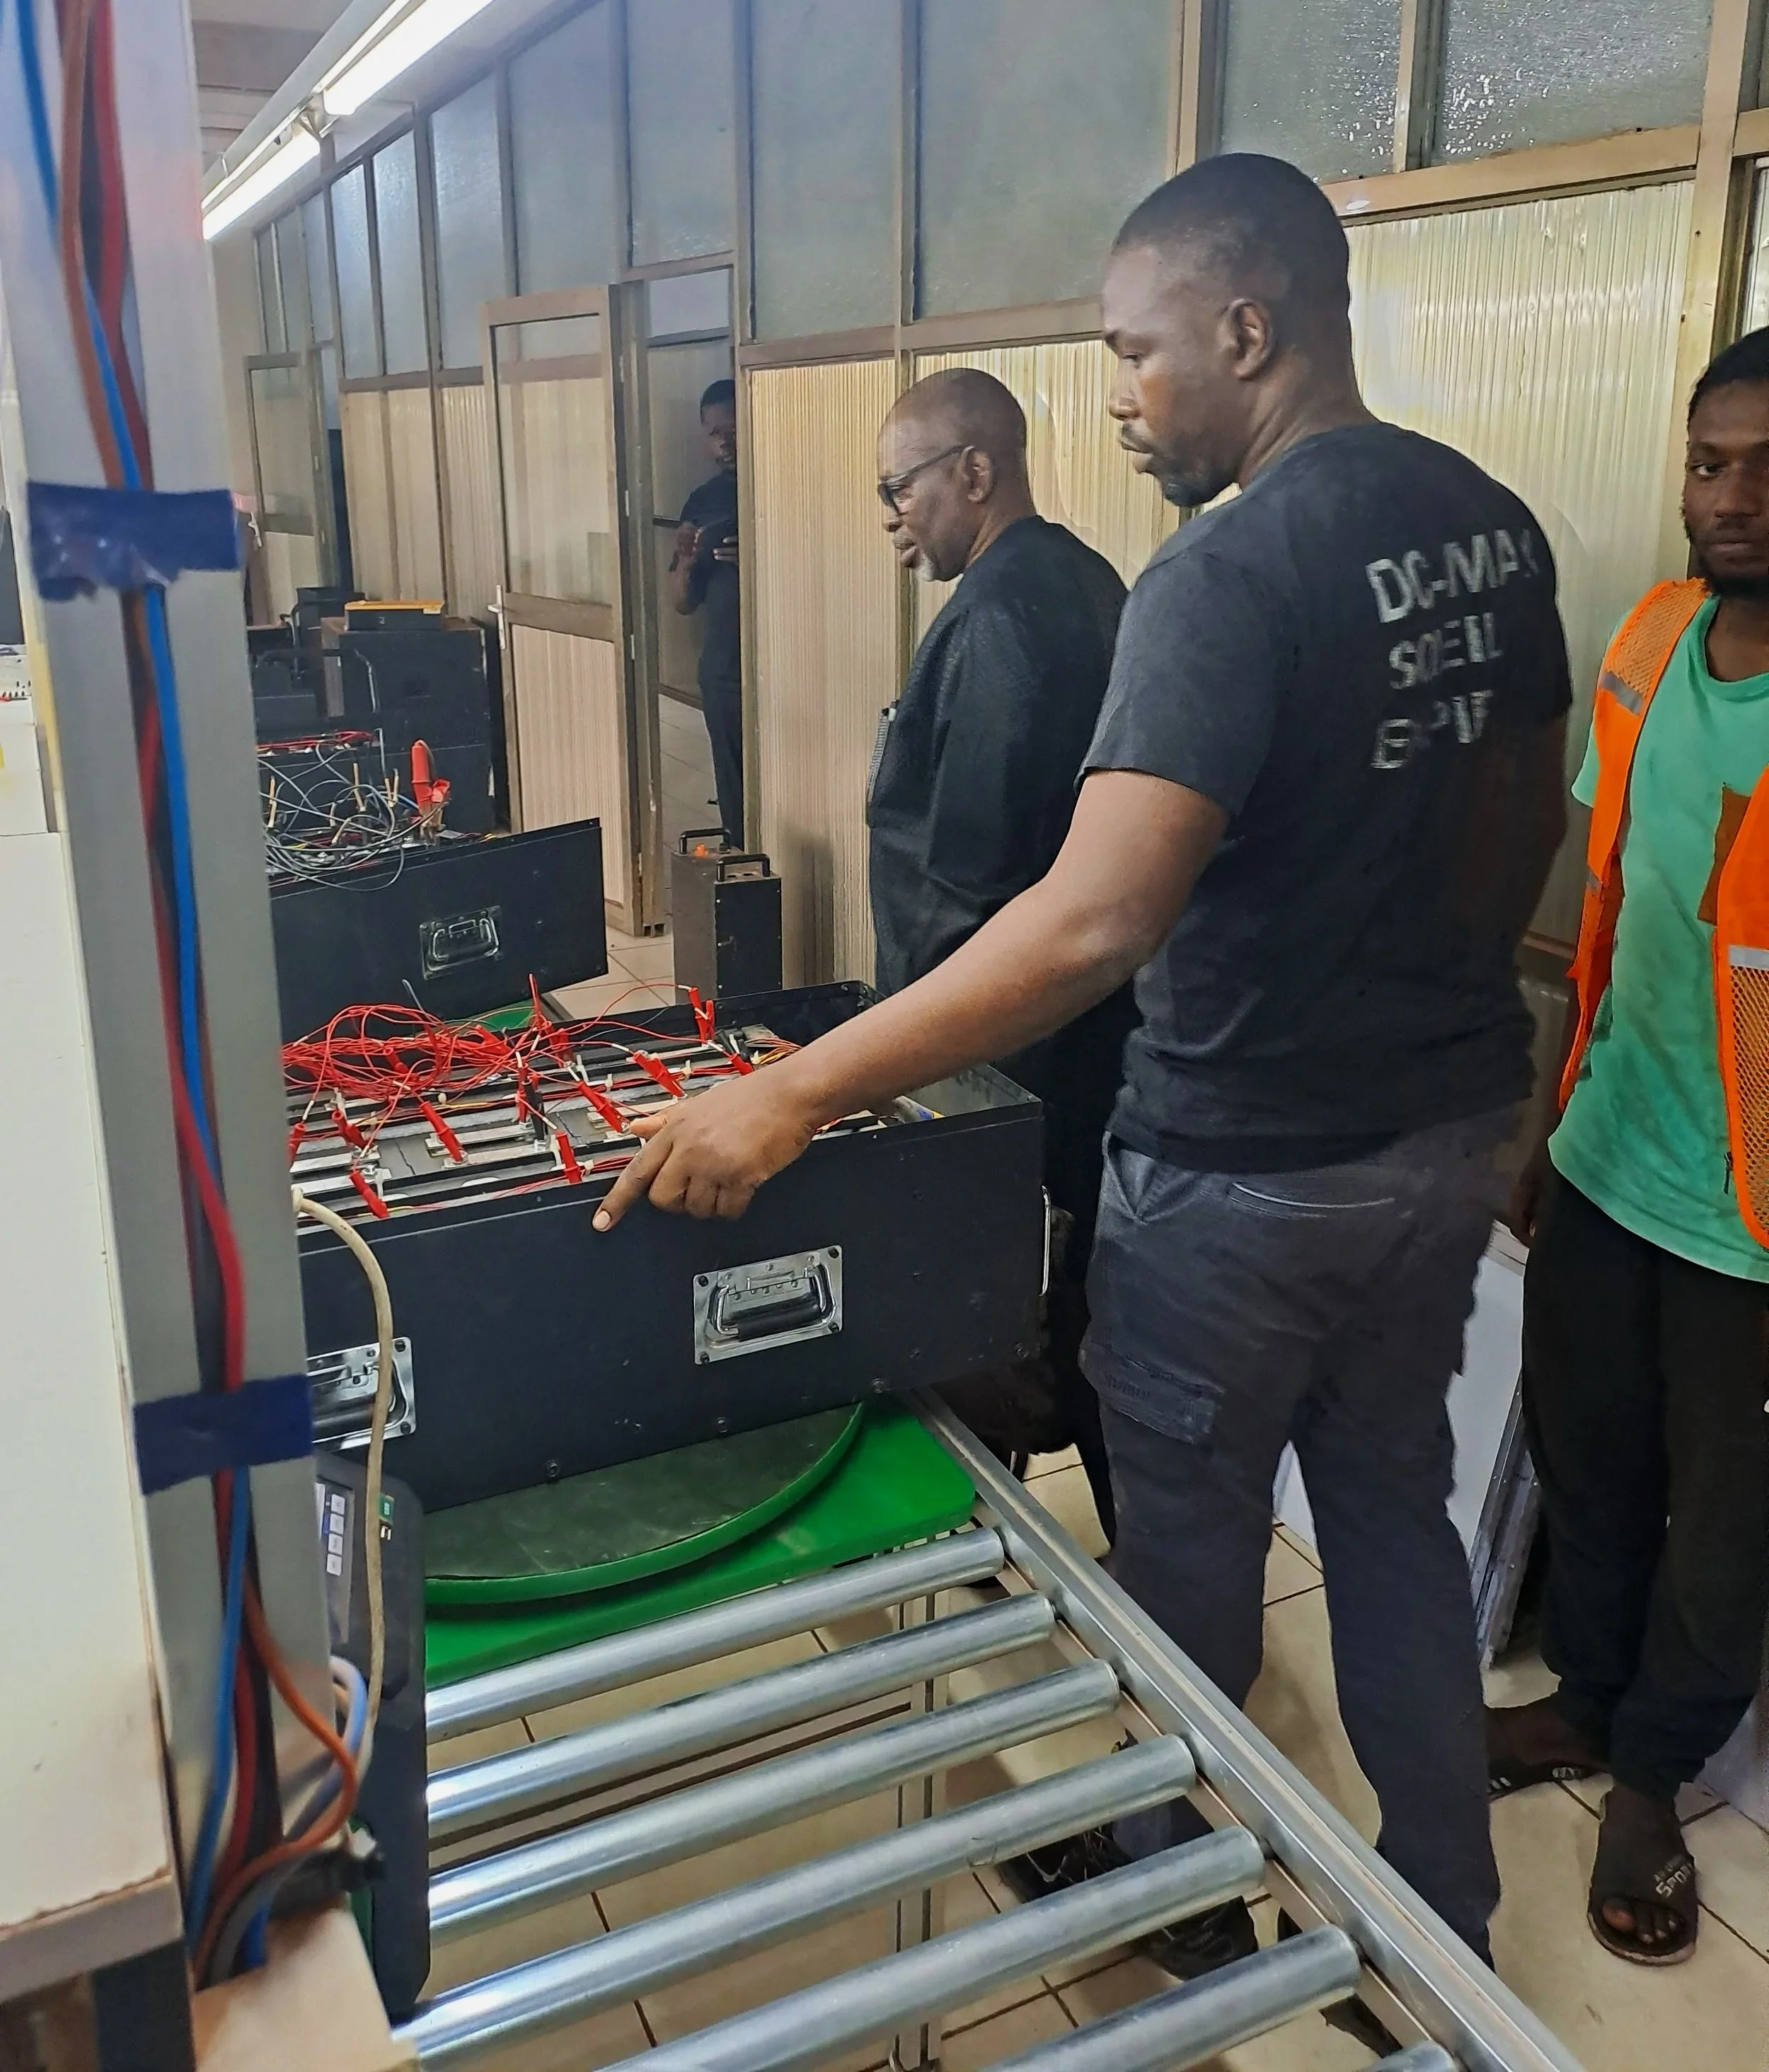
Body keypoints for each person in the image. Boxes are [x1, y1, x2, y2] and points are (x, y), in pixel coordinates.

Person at [594, 154, 1573, 1976]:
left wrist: (795, 1090)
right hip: (1438, 1137)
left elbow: (1089, 921)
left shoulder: (1228, 569)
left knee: (1186, 1554)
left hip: (1245, 1168)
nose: (1118, 399)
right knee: (1385, 1511)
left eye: (1135, 353)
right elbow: (1536, 801)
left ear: (1246, 326)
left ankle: (1168, 1887)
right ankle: (1446, 1921)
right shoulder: (1490, 525)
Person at [1489, 326, 1769, 1968]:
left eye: (1764, 471)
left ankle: (1655, 1775)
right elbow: (1615, 914)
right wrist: (1551, 1118)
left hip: (1753, 1225)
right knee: (1590, 1459)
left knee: (1724, 1521)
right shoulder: (1656, 639)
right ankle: (1586, 1702)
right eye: (1708, 462)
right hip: (1609, 1159)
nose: (1730, 501)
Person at [870, 366, 1133, 1541]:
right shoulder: (1083, 580)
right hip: (1093, 1037)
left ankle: (981, 1528)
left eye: (902, 489)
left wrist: (895, 1045)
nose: (896, 518)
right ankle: (1137, 1559)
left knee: (995, 1309)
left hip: (1003, 1045)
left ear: (974, 473)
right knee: (1090, 1301)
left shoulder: (998, 624)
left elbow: (969, 877)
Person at [669, 378, 744, 845]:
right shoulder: (702, 500)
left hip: (787, 666)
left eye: (733, 429)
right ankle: (741, 862)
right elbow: (680, 601)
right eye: (715, 433)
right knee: (733, 786)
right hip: (722, 670)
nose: (725, 442)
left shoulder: (784, 487)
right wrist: (688, 563)